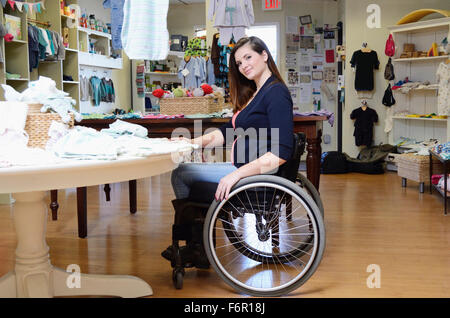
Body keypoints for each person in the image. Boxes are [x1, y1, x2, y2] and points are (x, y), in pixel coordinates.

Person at [171, 36, 293, 202]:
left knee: (180, 174)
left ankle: (195, 225)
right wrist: (192, 143)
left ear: (264, 55)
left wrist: (236, 174)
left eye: (248, 57)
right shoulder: (256, 93)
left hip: (254, 177)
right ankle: (200, 222)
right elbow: (228, 132)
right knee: (183, 170)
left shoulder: (275, 92)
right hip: (242, 169)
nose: (244, 66)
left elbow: (282, 152)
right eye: (239, 63)